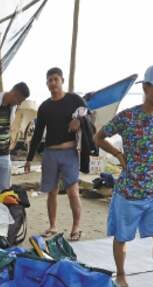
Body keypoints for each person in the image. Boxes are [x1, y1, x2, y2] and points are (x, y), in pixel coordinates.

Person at [93, 63, 153, 287]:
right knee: (122, 237)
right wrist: (118, 154)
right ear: (145, 87)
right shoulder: (128, 116)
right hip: (129, 190)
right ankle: (121, 274)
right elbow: (99, 136)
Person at [25, 67, 87, 241]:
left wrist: (79, 121)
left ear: (62, 81)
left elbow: (89, 116)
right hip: (50, 153)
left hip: (69, 152)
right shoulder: (44, 107)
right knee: (51, 192)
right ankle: (52, 226)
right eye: (49, 80)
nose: (53, 83)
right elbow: (37, 134)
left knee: (73, 192)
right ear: (47, 84)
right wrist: (29, 158)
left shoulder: (74, 99)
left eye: (55, 79)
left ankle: (76, 227)